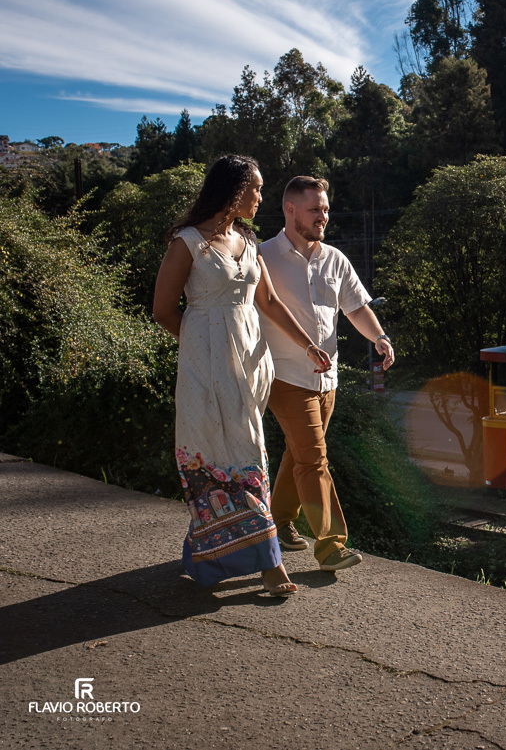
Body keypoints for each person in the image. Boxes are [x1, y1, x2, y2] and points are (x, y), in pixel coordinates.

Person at [152, 155, 332, 597]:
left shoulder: (247, 241)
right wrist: (203, 351)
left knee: (245, 455)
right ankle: (269, 566)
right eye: (255, 188)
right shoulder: (188, 242)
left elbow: (268, 302)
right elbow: (162, 310)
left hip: (251, 367)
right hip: (206, 372)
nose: (260, 196)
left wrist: (308, 344)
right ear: (233, 190)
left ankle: (209, 552)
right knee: (223, 456)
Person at [259, 176, 395, 573]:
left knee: (299, 454)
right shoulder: (264, 256)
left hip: (327, 381)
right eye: (315, 209)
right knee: (314, 459)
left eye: (326, 209)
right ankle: (331, 545)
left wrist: (380, 337)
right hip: (284, 378)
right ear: (290, 210)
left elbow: (355, 307)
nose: (324, 216)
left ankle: (280, 522)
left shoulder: (335, 259)